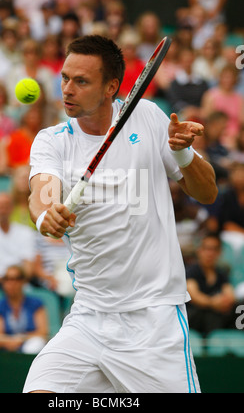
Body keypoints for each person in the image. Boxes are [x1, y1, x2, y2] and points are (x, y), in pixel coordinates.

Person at [23, 35, 218, 394]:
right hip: (89, 317)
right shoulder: (52, 140)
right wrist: (45, 215)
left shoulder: (149, 118)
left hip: (154, 320)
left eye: (81, 81)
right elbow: (43, 193)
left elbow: (207, 192)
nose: (67, 89)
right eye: (65, 77)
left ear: (111, 87)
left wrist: (184, 155)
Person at [0, 192, 36, 285]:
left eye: (5, 206)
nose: (2, 210)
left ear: (12, 208)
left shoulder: (26, 233)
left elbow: (28, 268)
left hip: (21, 284)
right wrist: (7, 283)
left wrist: (15, 283)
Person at [0, 265, 48, 354]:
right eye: (7, 279)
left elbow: (43, 333)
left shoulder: (36, 303)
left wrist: (22, 338)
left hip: (32, 349)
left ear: (23, 281)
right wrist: (11, 342)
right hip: (6, 352)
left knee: (35, 344)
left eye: (16, 279)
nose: (11, 283)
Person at [186, 233, 236, 335]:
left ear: (219, 252)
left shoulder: (221, 273)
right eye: (207, 249)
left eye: (214, 249)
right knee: (209, 315)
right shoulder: (191, 271)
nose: (210, 253)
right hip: (196, 315)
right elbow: (194, 296)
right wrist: (213, 303)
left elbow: (230, 295)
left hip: (217, 312)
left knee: (240, 308)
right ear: (199, 250)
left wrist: (224, 301)